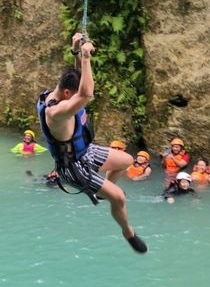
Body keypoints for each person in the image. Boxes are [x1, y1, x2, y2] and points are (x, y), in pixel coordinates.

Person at [37, 33, 147, 253]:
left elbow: (78, 80)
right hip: (71, 167)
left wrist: (76, 50)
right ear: (68, 93)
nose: (78, 97)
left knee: (126, 160)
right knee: (119, 197)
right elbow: (86, 94)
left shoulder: (63, 92)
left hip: (84, 151)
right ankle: (128, 231)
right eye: (75, 95)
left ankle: (98, 192)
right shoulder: (56, 113)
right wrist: (87, 58)